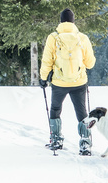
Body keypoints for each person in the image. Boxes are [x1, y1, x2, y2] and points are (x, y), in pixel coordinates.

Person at [39, 8, 96, 155]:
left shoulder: (53, 37)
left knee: (55, 109)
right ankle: (85, 143)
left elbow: (47, 61)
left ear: (60, 21)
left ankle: (56, 140)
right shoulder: (82, 38)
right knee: (82, 112)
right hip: (79, 82)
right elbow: (90, 63)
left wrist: (43, 78)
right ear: (73, 21)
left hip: (59, 83)